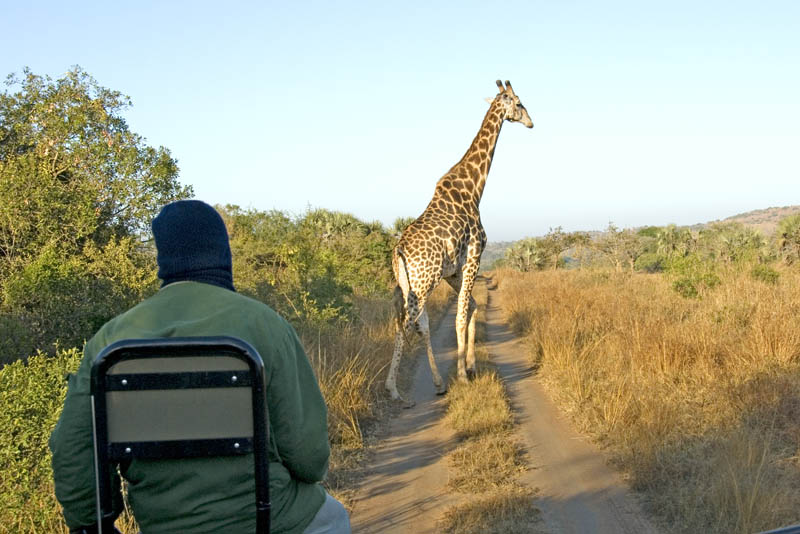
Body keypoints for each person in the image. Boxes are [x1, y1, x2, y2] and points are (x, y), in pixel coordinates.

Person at [49, 200, 351, 534]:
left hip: (163, 525)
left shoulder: (110, 341)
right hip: (270, 520)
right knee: (335, 516)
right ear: (222, 253)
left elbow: (73, 448)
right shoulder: (266, 324)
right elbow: (310, 458)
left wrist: (92, 524)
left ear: (163, 258)